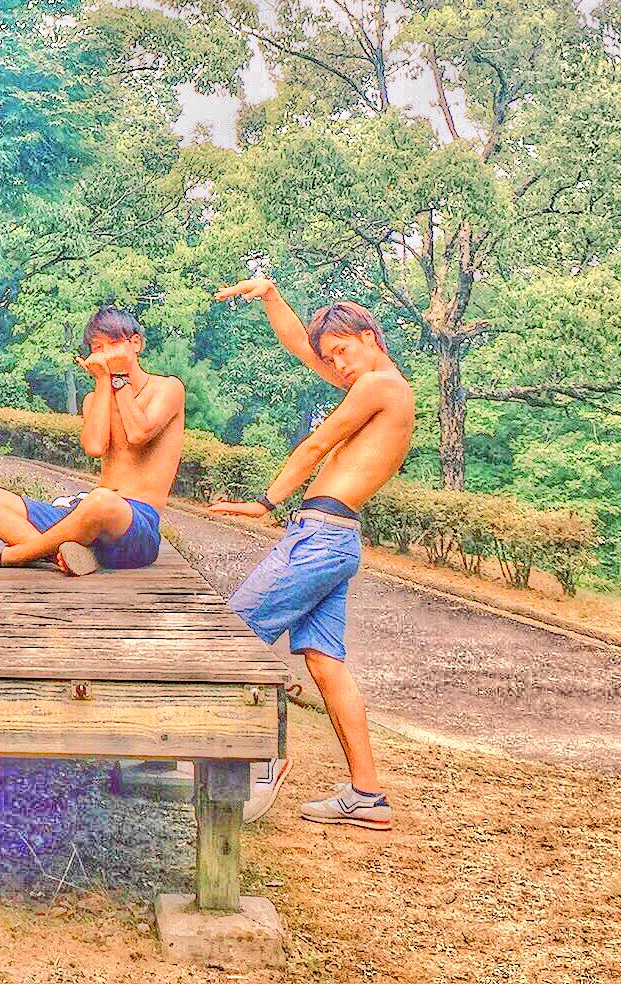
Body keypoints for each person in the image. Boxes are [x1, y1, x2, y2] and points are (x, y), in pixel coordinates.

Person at [209, 275, 416, 832]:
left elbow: (317, 443)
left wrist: (265, 501)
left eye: (343, 351)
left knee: (232, 638)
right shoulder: (379, 385)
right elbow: (302, 347)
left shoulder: (379, 386)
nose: (337, 365)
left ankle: (258, 763)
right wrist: (271, 296)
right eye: (332, 358)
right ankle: (367, 795)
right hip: (337, 538)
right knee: (325, 664)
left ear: (371, 336)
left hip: (319, 537)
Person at [0, 306, 175, 576]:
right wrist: (103, 382)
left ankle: (13, 555)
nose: (106, 355)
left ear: (135, 343)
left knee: (101, 501)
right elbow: (94, 447)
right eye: (98, 348)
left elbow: (138, 434)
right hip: (88, 515)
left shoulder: (167, 388)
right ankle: (66, 555)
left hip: (135, 525)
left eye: (114, 344)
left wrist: (119, 379)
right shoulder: (94, 399)